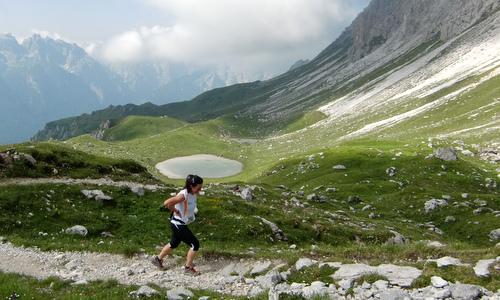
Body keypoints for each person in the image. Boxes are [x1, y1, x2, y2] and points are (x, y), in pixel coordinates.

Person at [151, 174, 203, 275]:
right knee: (195, 244)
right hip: (178, 224)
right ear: (192, 186)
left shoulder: (191, 193)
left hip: (179, 223)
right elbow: (167, 203)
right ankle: (188, 268)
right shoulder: (183, 195)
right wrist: (174, 210)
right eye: (198, 188)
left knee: (174, 243)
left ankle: (157, 259)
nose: (200, 190)